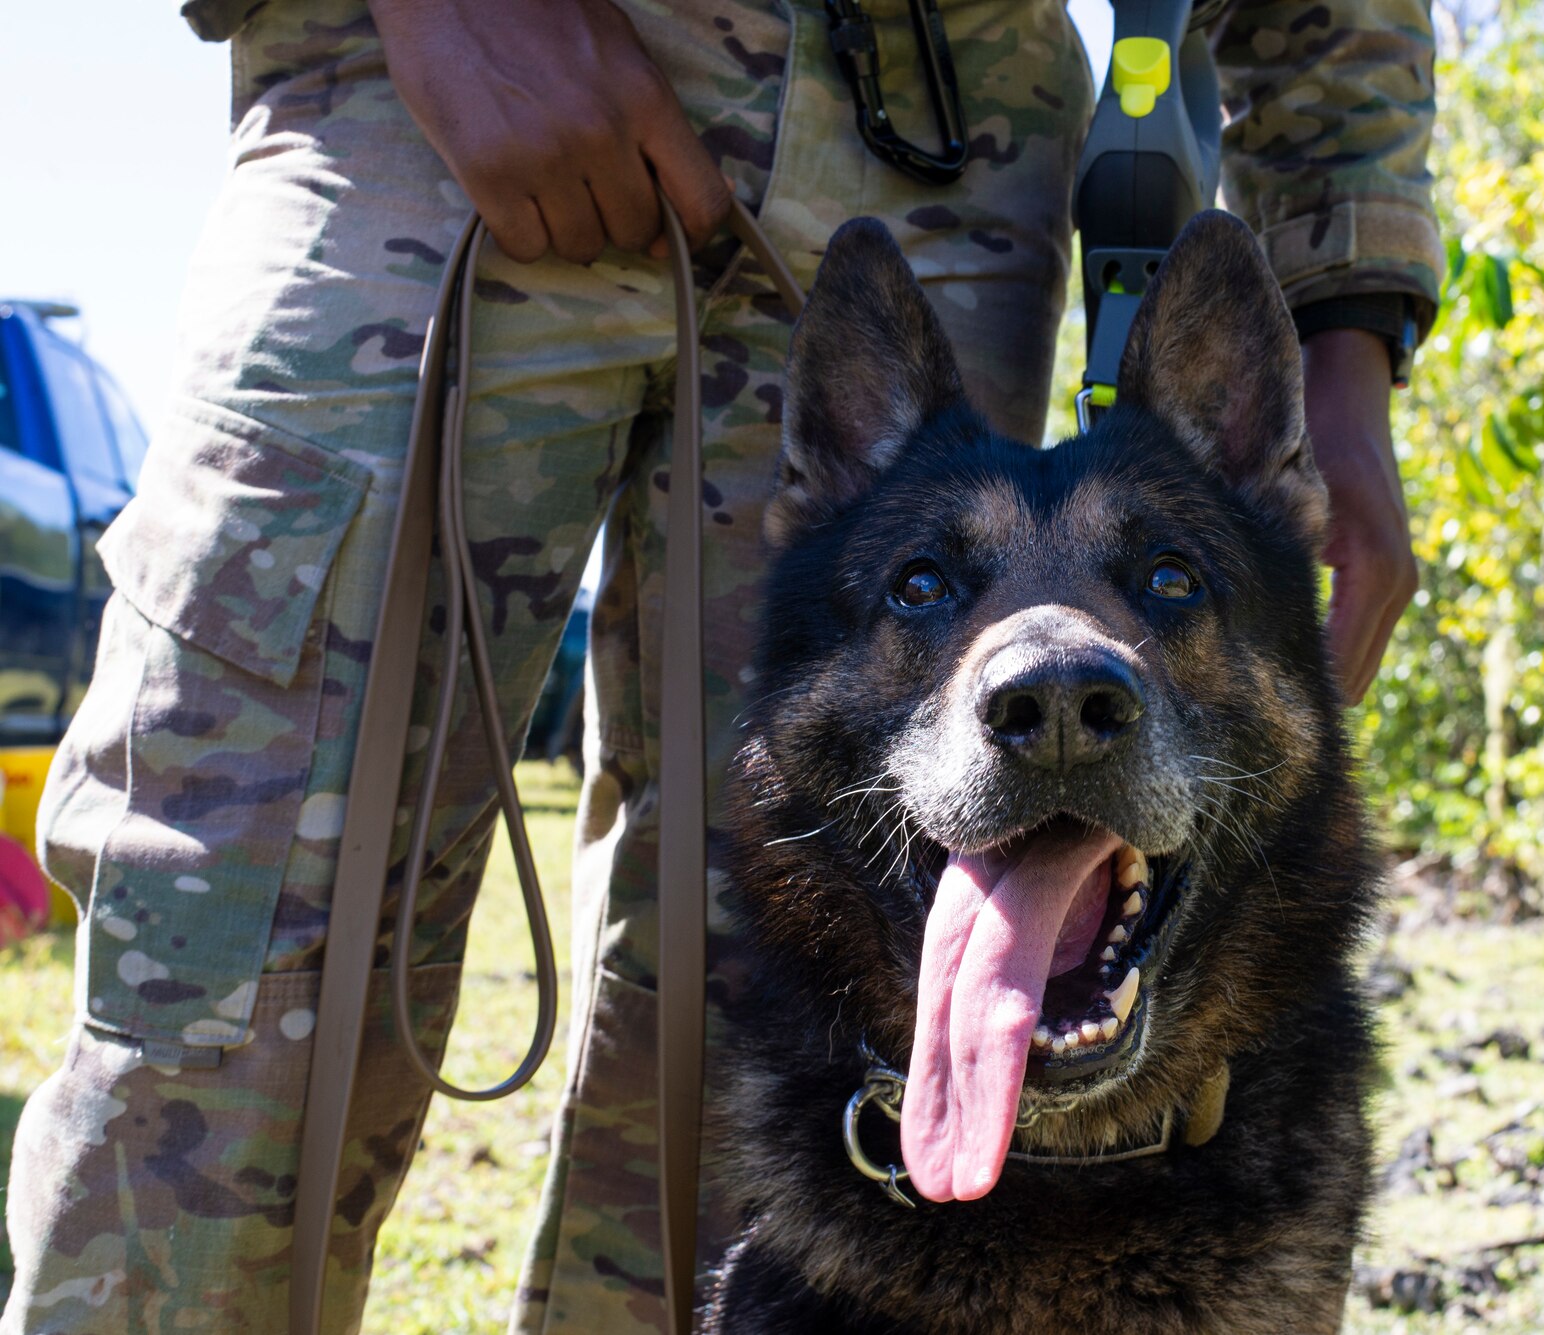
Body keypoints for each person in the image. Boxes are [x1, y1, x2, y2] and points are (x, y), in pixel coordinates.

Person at [0, 0, 1440, 1330]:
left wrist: (1347, 320)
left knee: (783, 987)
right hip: (429, 95)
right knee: (236, 932)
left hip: (936, 127)